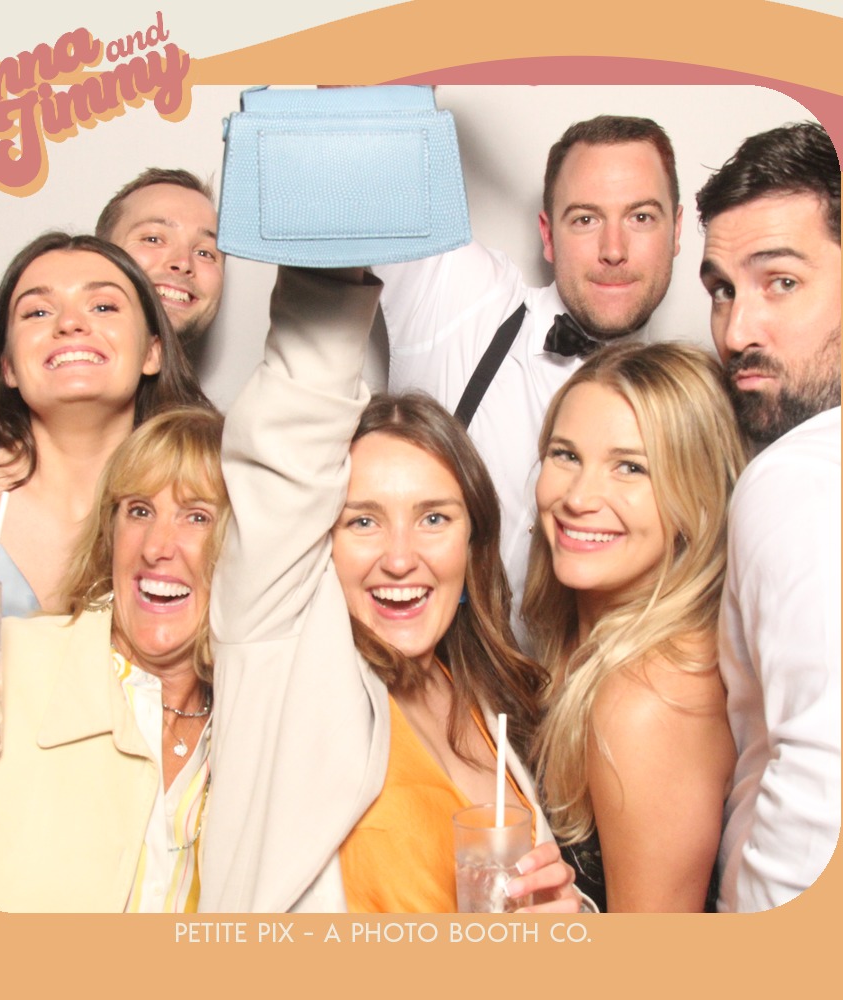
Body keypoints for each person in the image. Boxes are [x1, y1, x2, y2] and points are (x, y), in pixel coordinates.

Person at [199, 266, 584, 913]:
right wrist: (338, 243)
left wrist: (571, 915)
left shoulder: (485, 699)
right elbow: (293, 420)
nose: (401, 559)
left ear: (472, 542)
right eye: (363, 521)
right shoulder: (284, 660)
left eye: (434, 518)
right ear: (318, 538)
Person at [374, 115, 683, 630]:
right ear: (548, 235)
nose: (614, 249)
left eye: (641, 217)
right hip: (426, 671)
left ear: (676, 230)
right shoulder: (463, 298)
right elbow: (363, 132)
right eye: (585, 219)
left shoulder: (696, 403)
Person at [0, 407, 229, 911]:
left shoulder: (258, 721)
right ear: (110, 532)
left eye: (197, 516)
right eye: (139, 511)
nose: (156, 547)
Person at [522, 341, 747, 911]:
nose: (578, 498)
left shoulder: (646, 700)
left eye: (631, 467)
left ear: (697, 498)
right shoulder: (588, 648)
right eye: (566, 455)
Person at [696, 121, 841, 912]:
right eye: (723, 290)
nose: (736, 332)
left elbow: (826, 792)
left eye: (780, 281)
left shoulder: (798, 475)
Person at [0, 232, 211, 624]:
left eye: (104, 306)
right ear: (8, 366)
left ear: (151, 352)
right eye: (38, 313)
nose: (70, 323)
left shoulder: (213, 498)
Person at [0, 168, 224, 442]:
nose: (183, 263)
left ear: (152, 354)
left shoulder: (214, 446)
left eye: (206, 253)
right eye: (154, 239)